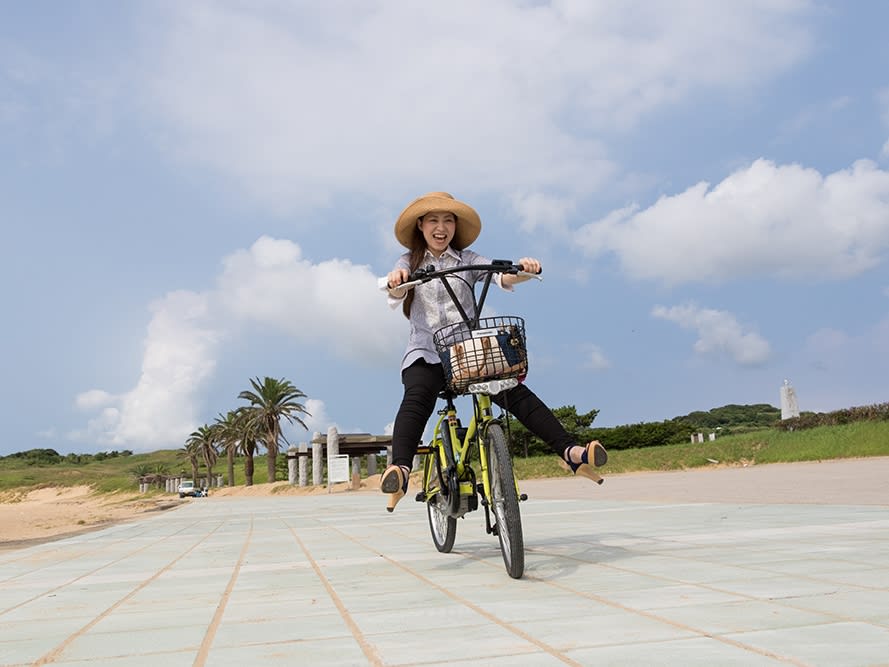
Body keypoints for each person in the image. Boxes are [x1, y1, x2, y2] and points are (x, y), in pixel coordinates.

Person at [380, 191, 607, 512]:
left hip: (466, 354)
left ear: (455, 227)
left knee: (514, 391)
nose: (441, 227)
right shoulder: (408, 262)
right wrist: (397, 280)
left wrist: (524, 269)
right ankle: (400, 471)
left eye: (448, 221)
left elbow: (499, 273)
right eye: (433, 220)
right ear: (421, 225)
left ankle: (571, 452)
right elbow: (397, 286)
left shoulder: (468, 260)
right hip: (425, 353)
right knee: (417, 397)